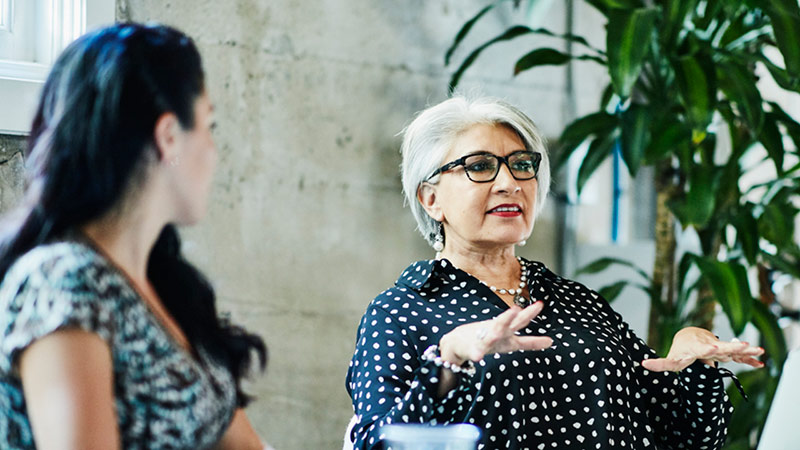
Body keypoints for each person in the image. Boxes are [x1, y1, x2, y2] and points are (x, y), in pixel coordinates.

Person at [345, 95, 764, 449]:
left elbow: (689, 440)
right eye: (480, 166)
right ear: (431, 198)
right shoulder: (401, 311)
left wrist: (694, 361)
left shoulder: (578, 301)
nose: (510, 183)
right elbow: (376, 442)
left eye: (521, 164)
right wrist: (447, 361)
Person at [0, 23, 271, 449]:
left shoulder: (167, 286)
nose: (214, 152)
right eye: (209, 126)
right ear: (169, 137)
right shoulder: (65, 282)